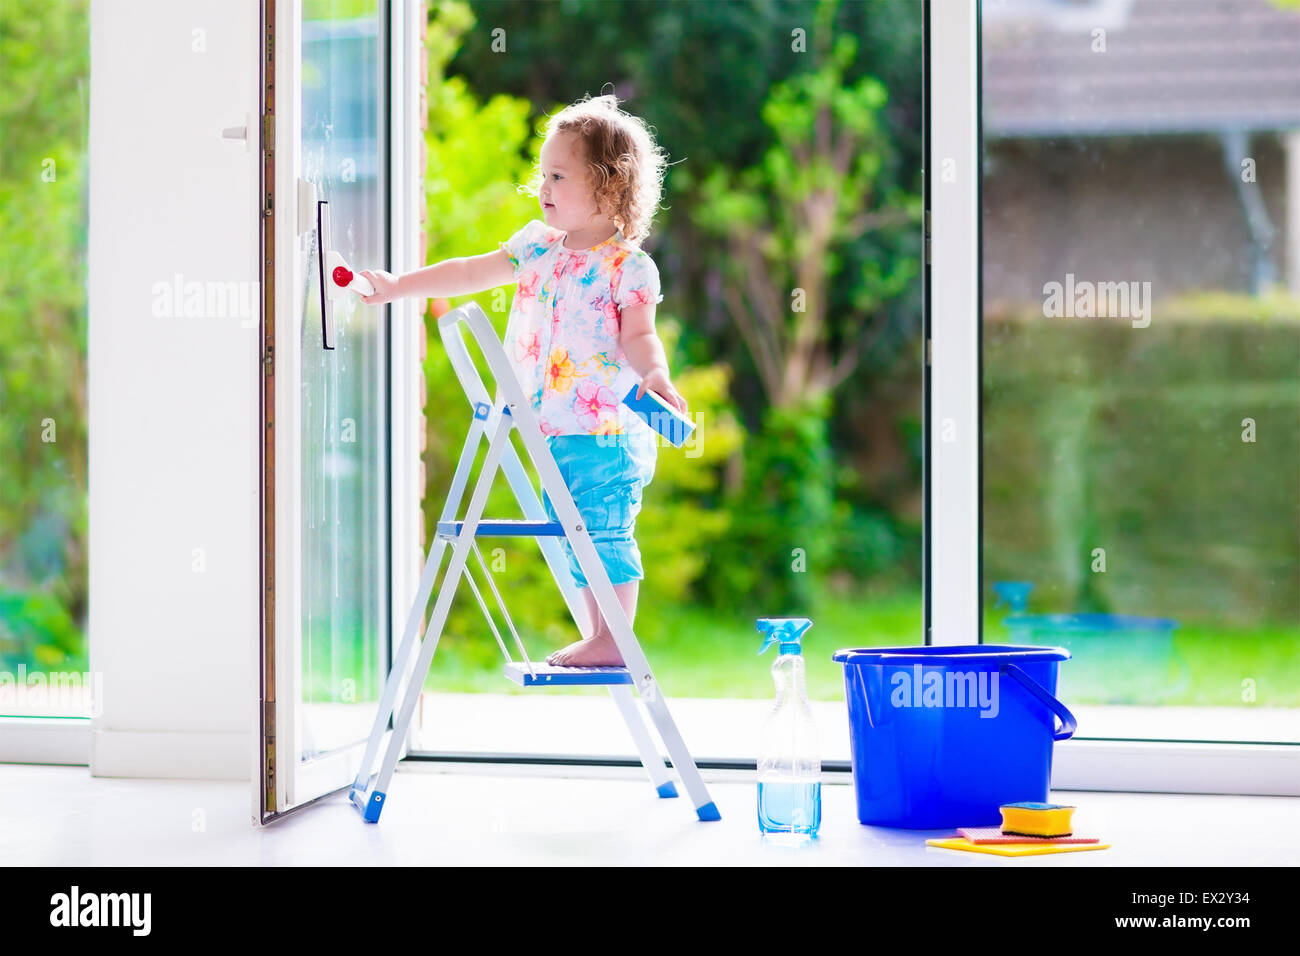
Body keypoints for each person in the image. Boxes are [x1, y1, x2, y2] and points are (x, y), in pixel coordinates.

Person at [359, 92, 686, 668]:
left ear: (610, 186)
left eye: (559, 175)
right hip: (552, 427)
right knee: (571, 529)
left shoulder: (628, 266)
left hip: (605, 430)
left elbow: (639, 336)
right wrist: (398, 285)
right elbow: (466, 272)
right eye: (543, 174)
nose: (544, 187)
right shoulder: (537, 246)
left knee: (602, 530)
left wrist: (656, 375)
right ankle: (602, 632)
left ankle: (614, 638)